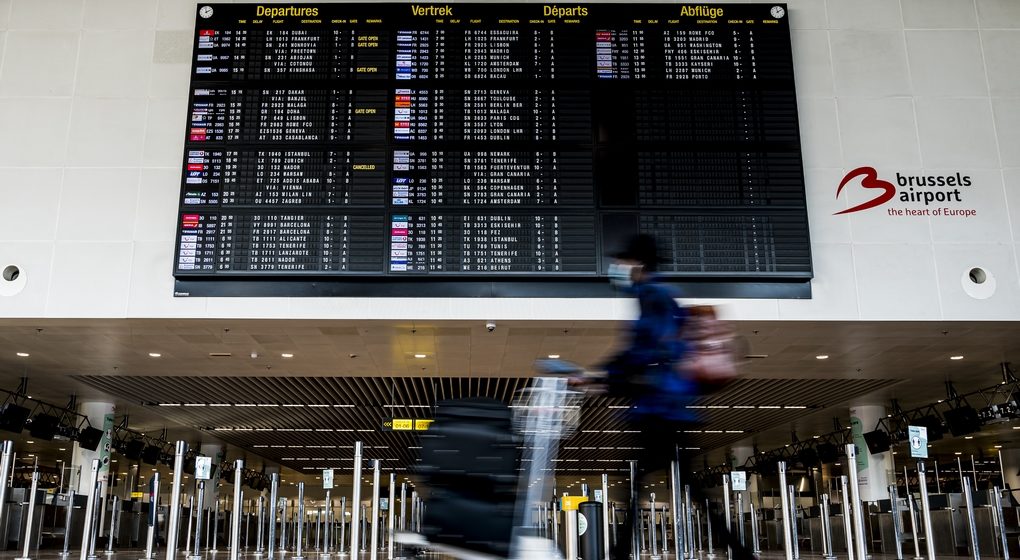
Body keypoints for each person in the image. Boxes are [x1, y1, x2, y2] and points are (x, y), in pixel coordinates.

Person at [601, 234, 750, 560]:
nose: (617, 268)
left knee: (644, 481)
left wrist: (607, 373)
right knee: (674, 482)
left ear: (638, 263)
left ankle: (620, 553)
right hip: (669, 407)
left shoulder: (653, 295)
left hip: (661, 409)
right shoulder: (658, 295)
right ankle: (738, 551)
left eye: (623, 261)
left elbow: (648, 349)